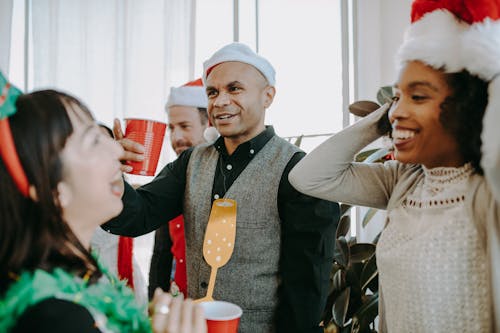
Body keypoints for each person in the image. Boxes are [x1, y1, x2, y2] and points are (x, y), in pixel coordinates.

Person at [289, 1, 500, 332]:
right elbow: (308, 176)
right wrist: (382, 119)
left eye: (418, 97)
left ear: (469, 107)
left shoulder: (489, 191)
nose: (397, 112)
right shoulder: (403, 182)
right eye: (396, 97)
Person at [104, 42, 340, 333]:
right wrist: (109, 169)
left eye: (235, 89)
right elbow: (136, 216)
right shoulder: (192, 162)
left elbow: (306, 287)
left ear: (268, 96)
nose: (220, 101)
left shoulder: (297, 171)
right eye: (212, 92)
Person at [0, 72, 206, 333]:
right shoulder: (55, 318)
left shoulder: (83, 277)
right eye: (95, 141)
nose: (118, 150)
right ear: (54, 191)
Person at [149, 78, 209, 298]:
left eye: (185, 126)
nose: (176, 138)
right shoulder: (171, 176)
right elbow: (161, 254)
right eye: (171, 128)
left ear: (209, 124)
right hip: (178, 300)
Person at [90, 124, 148, 306]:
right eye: (93, 144)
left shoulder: (122, 191)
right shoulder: (76, 201)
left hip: (124, 273)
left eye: (107, 145)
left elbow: (142, 204)